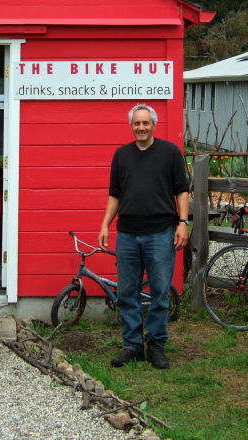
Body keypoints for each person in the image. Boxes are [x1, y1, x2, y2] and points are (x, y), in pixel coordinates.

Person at [97, 104, 189, 370]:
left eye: (145, 123)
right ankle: (133, 346)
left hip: (161, 233)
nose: (141, 127)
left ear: (154, 125)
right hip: (127, 234)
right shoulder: (121, 155)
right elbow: (115, 194)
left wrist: (183, 223)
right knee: (127, 293)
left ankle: (156, 345)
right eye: (137, 123)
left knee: (159, 293)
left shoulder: (170, 152)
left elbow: (182, 190)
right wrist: (105, 225)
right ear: (131, 126)